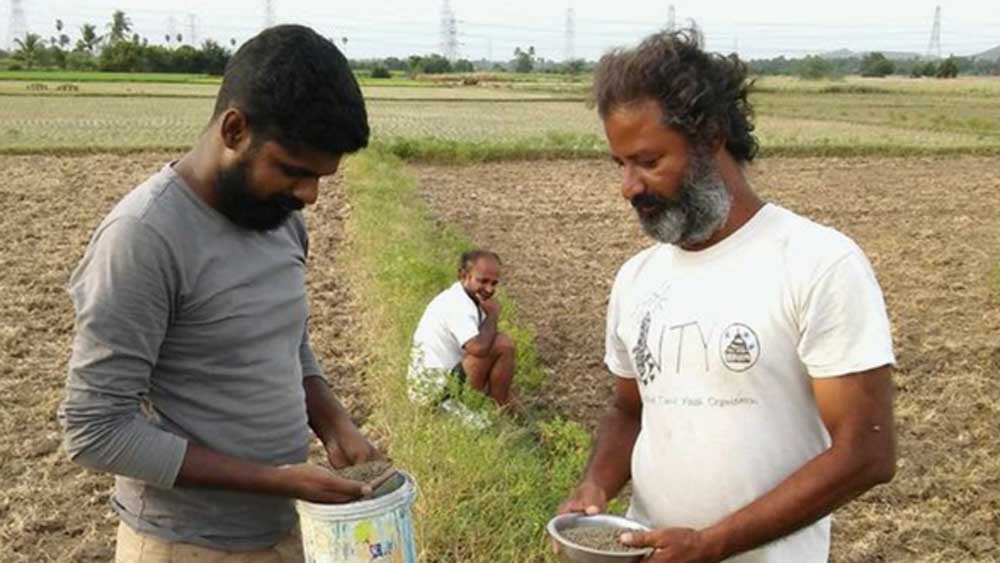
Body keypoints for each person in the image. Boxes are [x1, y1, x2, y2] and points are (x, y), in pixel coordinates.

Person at [557, 30, 897, 563]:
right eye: (619, 164)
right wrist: (595, 487)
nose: (628, 186)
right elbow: (629, 410)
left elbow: (867, 452)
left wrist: (713, 544)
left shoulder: (816, 262)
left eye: (648, 161)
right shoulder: (637, 278)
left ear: (710, 136)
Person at [59, 25, 379, 563]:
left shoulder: (278, 218)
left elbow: (285, 340)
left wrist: (332, 420)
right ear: (234, 129)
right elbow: (96, 430)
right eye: (295, 172)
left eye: (321, 178)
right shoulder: (144, 237)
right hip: (185, 543)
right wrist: (276, 479)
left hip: (285, 528)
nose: (311, 196)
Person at [407, 250, 516, 411]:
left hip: (439, 382)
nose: (489, 289)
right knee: (502, 344)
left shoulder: (469, 299)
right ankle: (501, 410)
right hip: (434, 390)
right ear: (463, 276)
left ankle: (501, 407)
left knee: (498, 344)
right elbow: (478, 348)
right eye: (483, 281)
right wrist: (493, 314)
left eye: (494, 283)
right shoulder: (457, 304)